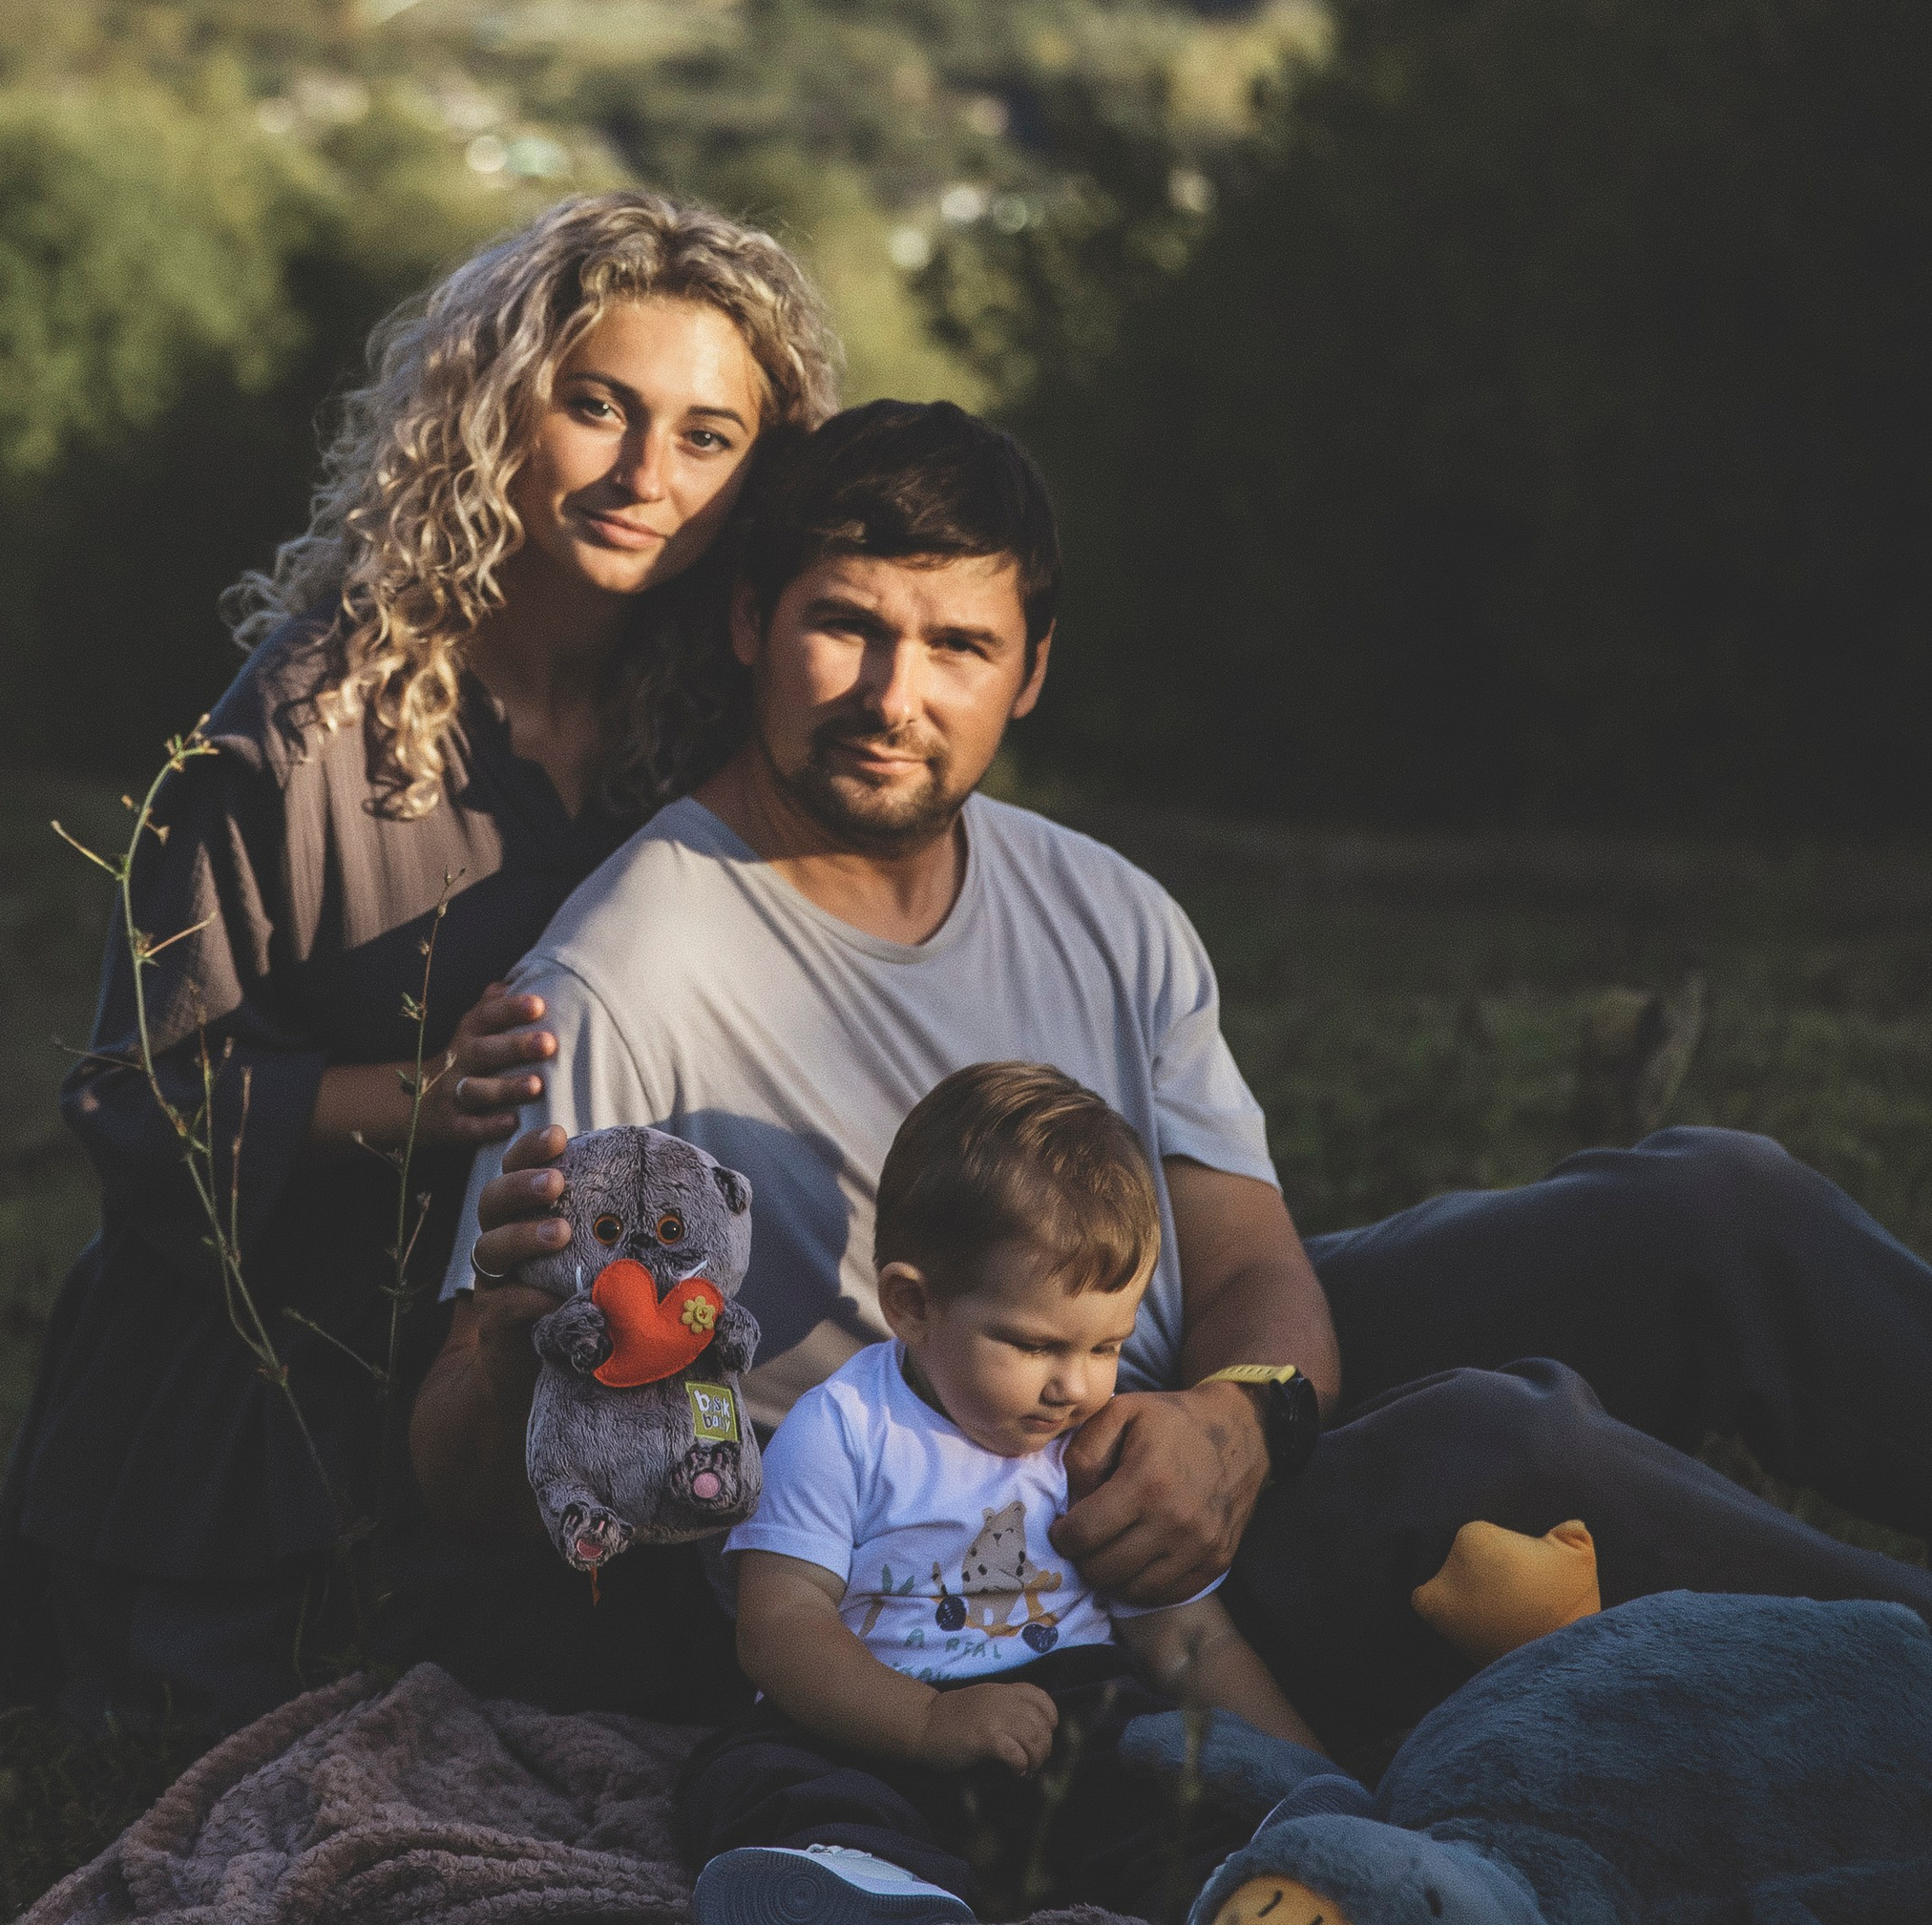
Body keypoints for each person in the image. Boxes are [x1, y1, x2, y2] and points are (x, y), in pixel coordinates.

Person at [417, 396, 1932, 1774]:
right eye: (847, 628)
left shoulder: (1106, 906)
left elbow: (1256, 1263)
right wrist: (505, 1345)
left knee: (1707, 1208)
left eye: (958, 648)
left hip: (1170, 1413)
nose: (894, 693)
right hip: (1010, 1563)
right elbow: (485, 1486)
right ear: (750, 622)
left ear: (1033, 671)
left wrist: (1234, 1426)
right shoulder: (622, 975)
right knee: (1489, 1447)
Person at [0, 188, 837, 1734]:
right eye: (599, 409)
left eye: (708, 437)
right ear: (495, 415)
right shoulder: (304, 718)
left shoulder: (714, 724)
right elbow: (127, 1102)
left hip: (574, 1392)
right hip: (264, 1428)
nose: (647, 476)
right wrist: (409, 1099)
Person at [685, 1062, 1320, 1925]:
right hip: (871, 1709)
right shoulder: (846, 1428)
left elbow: (1187, 1637)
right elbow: (777, 1629)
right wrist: (927, 1720)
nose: (1073, 1384)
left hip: (1063, 1722)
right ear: (912, 1306)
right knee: (761, 1776)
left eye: (1104, 1346)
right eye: (1033, 1346)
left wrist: (1305, 1780)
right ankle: (863, 1893)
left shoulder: (1103, 1443)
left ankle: (1232, 1895)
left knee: (1156, 1774)